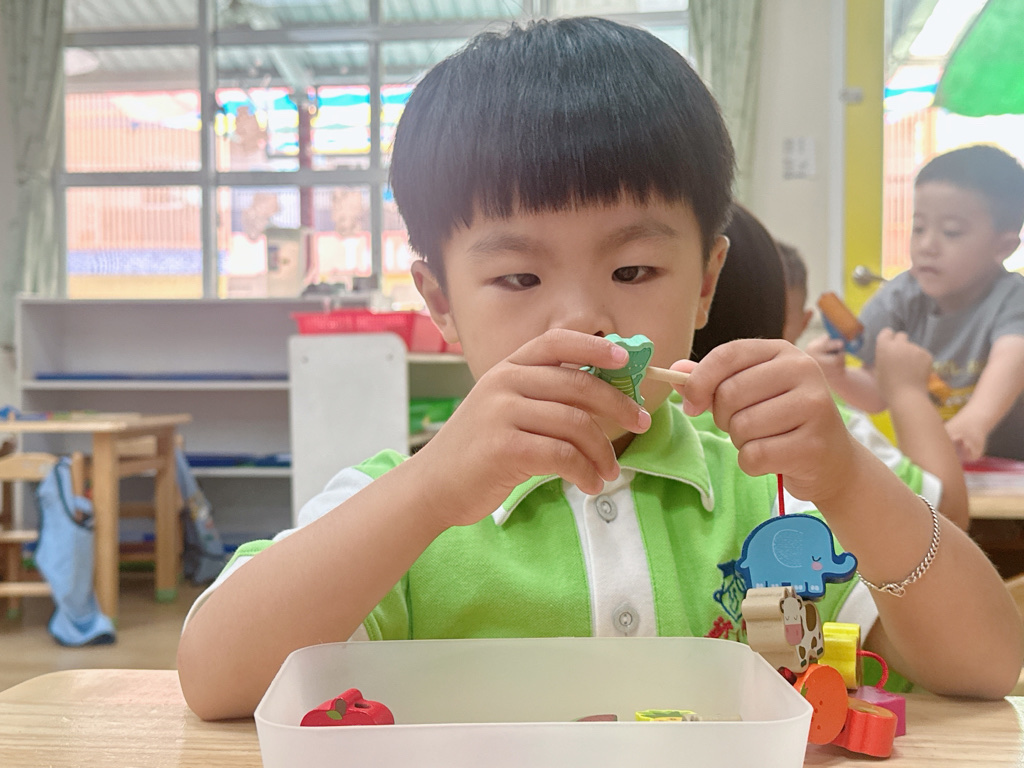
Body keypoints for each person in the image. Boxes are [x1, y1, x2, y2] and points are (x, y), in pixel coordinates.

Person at [176, 18, 1022, 721]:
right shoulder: (399, 510)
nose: (582, 321)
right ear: (440, 301)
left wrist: (846, 479)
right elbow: (216, 682)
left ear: (706, 283)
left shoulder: (779, 497)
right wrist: (431, 491)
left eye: (633, 271)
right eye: (518, 278)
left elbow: (989, 666)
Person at [807, 145, 1024, 462]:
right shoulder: (898, 299)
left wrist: (974, 422)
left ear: (1002, 246)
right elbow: (878, 393)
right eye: (919, 228)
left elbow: (1012, 359)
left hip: (1011, 461)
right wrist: (837, 376)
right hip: (933, 462)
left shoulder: (1012, 297)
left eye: (951, 232)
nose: (926, 245)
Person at [775, 240, 968, 530]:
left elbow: (872, 396)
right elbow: (945, 516)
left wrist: (835, 377)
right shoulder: (826, 419)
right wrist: (907, 392)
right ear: (803, 323)